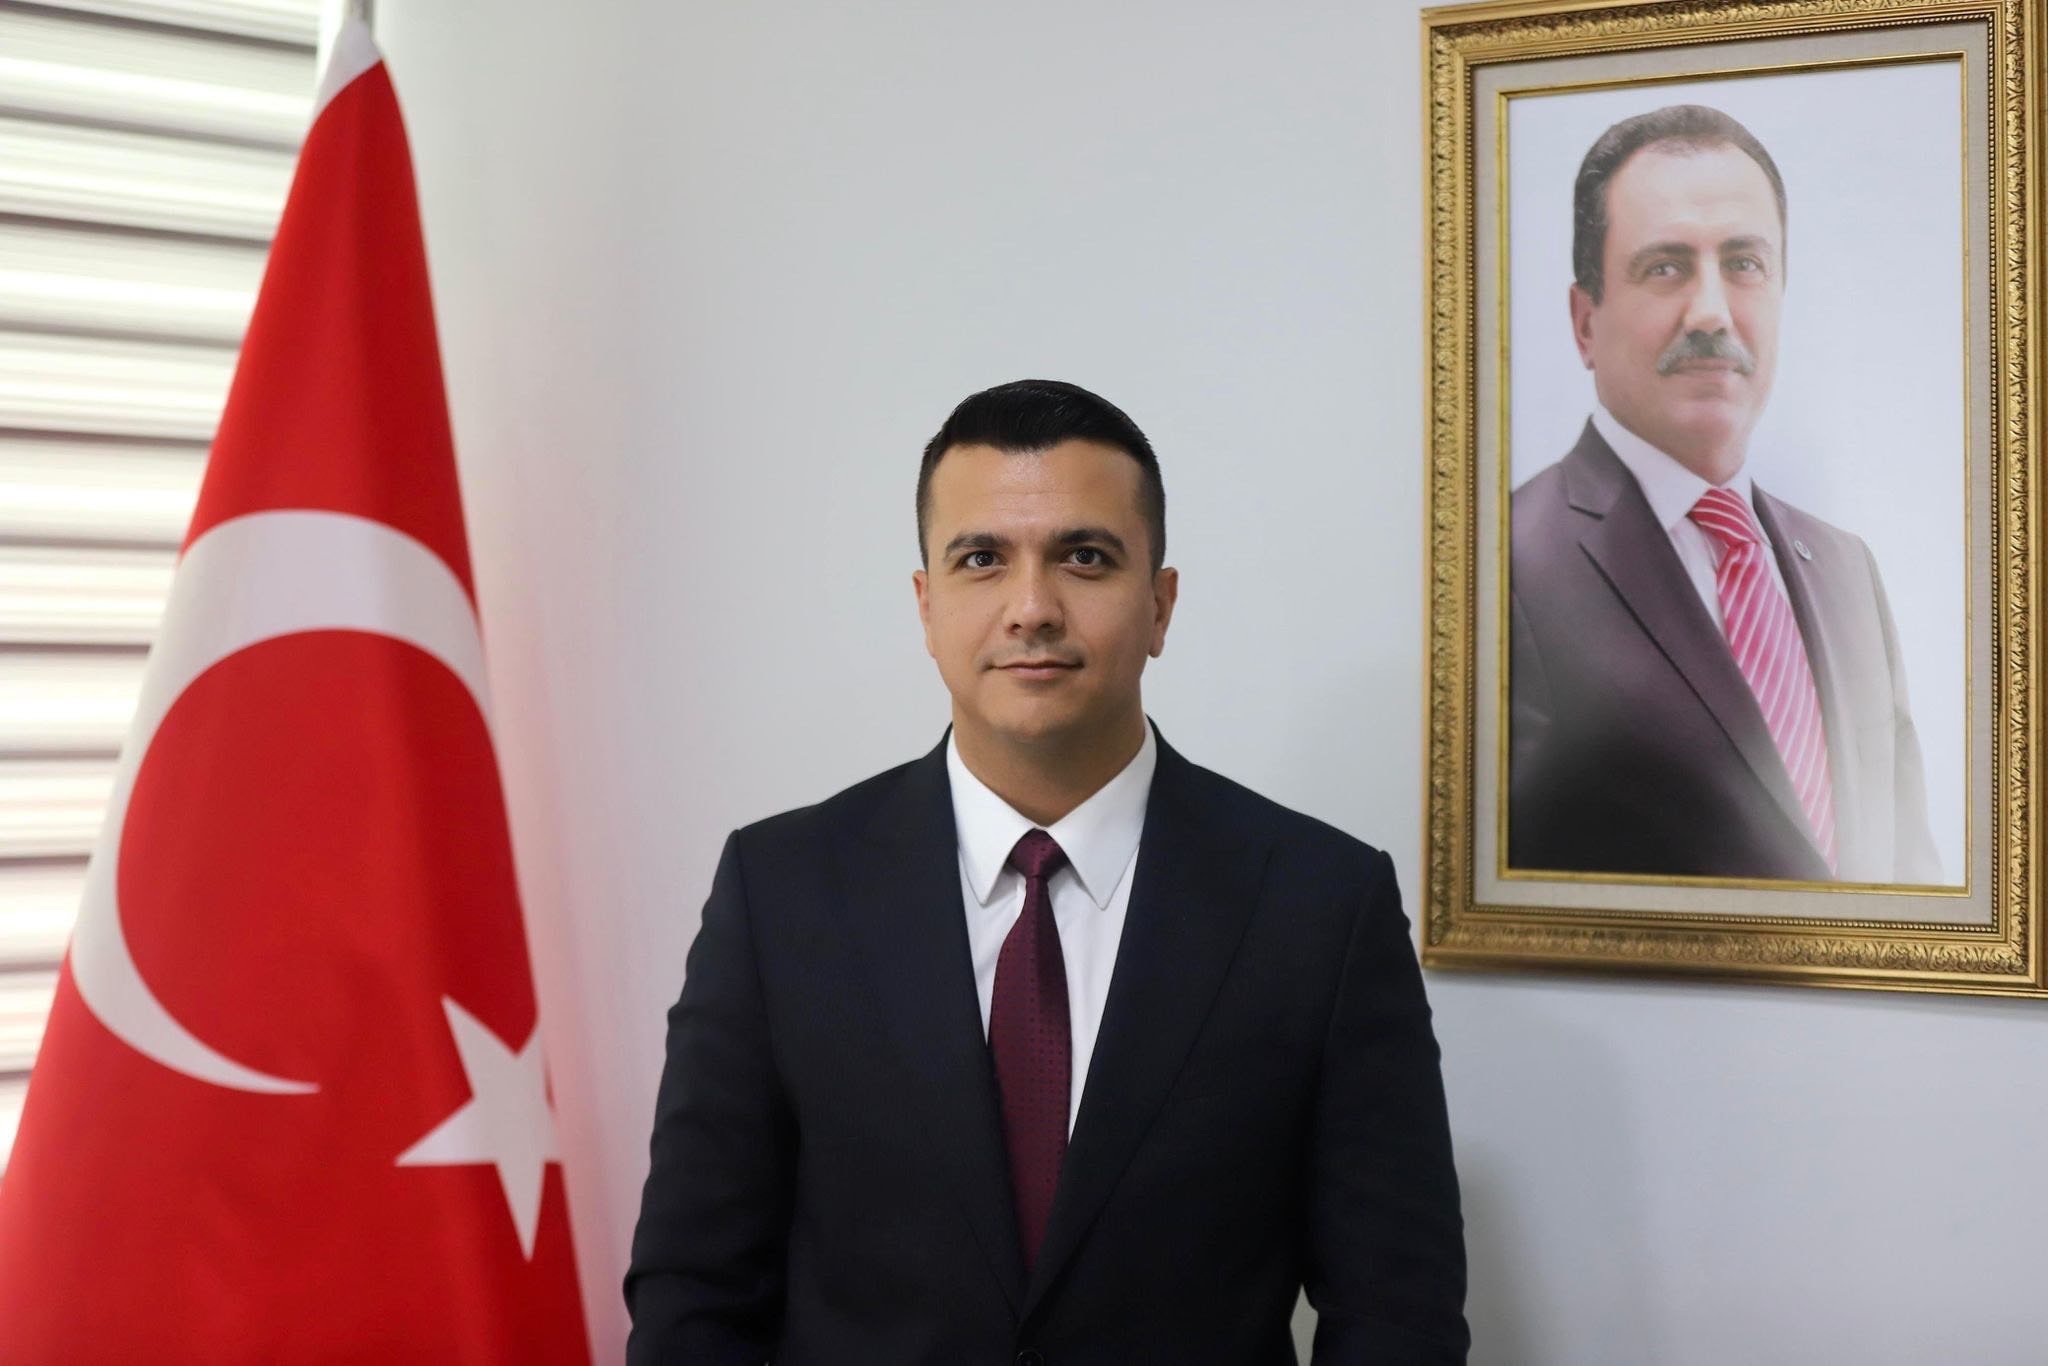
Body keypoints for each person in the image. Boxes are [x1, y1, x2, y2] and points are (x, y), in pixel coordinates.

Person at [625, 379, 1468, 1363]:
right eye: (982, 559)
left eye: (1084, 557)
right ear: (927, 605)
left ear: (1159, 605)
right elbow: (695, 1290)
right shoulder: (780, 893)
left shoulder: (1320, 907)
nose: (1031, 608)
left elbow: (1396, 1313)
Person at [1509, 104, 1942, 884]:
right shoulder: (1502, 565)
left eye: (1744, 264)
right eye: (1665, 266)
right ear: (1584, 323)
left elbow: (1909, 868)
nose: (1711, 311)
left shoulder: (1846, 569)